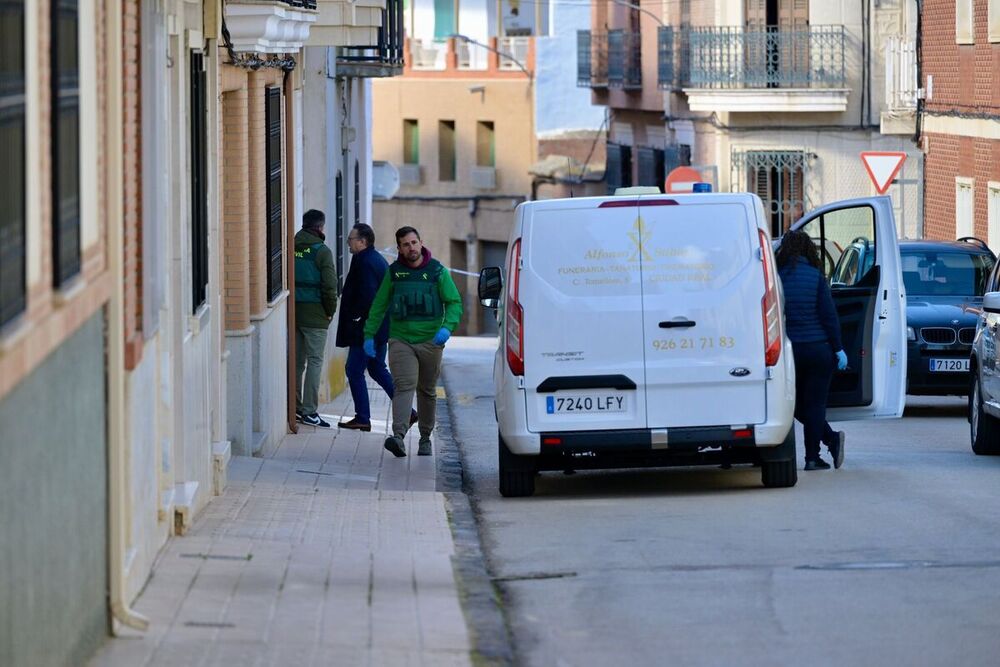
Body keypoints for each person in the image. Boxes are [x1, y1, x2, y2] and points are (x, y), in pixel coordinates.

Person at [363, 226, 463, 457]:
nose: (411, 248)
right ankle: (398, 436)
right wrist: (369, 334)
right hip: (401, 340)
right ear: (399, 248)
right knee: (404, 386)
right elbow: (379, 306)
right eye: (406, 244)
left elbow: (454, 302)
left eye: (414, 242)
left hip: (431, 341)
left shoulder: (438, 271)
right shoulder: (394, 272)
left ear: (421, 242)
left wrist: (447, 328)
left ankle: (426, 438)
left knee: (427, 390)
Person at [776, 229, 847, 471]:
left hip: (789, 352)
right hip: (818, 350)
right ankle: (813, 456)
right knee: (815, 405)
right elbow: (829, 317)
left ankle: (828, 439)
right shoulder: (816, 276)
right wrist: (838, 349)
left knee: (794, 405)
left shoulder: (776, 277)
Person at [335, 223, 416, 432]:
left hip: (368, 330)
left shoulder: (366, 262)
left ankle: (363, 417)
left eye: (351, 239)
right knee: (377, 369)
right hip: (380, 328)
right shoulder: (372, 258)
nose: (348, 243)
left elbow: (369, 297)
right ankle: (408, 413)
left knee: (353, 370)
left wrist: (356, 318)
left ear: (362, 242)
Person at [294, 209, 338, 428]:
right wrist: (330, 311)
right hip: (316, 315)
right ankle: (310, 411)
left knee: (297, 361)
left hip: (294, 312)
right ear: (320, 227)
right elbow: (330, 286)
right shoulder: (322, 251)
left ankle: (295, 407)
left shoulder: (291, 245)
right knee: (314, 361)